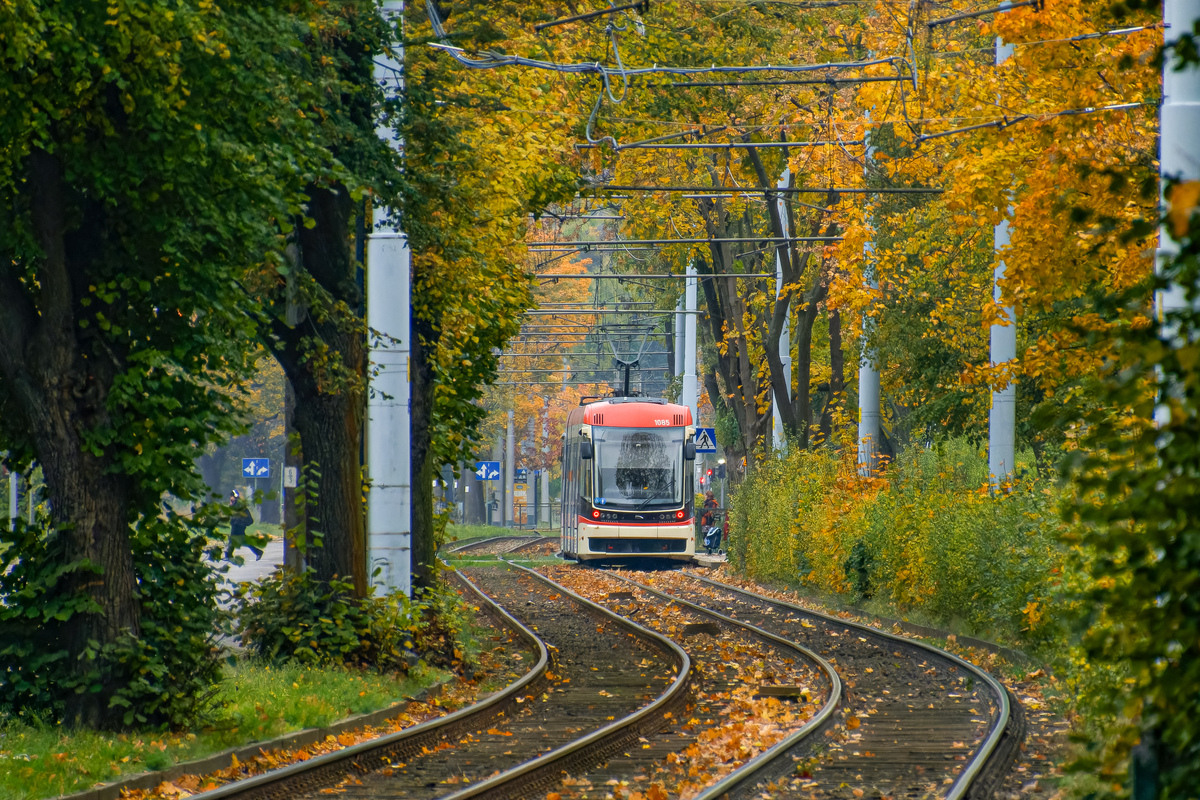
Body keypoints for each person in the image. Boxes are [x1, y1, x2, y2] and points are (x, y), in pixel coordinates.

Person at [225, 489, 262, 560]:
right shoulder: (235, 504)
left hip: (239, 526)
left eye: (232, 496)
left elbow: (246, 518)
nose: (231, 498)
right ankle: (258, 552)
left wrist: (239, 522)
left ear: (234, 497)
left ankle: (229, 555)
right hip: (236, 525)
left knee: (234, 539)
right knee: (238, 540)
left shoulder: (239, 505)